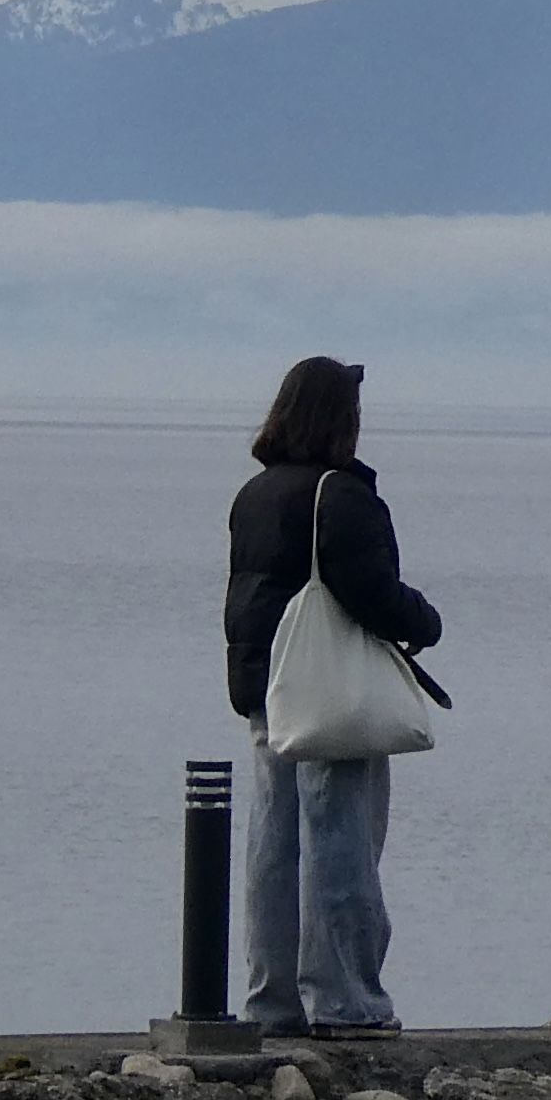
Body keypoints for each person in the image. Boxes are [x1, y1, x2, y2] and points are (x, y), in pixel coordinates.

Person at [223, 352, 442, 1037]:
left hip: (268, 688)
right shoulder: (339, 496)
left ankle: (273, 1002)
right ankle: (346, 1001)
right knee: (340, 841)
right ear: (338, 420)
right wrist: (424, 620)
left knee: (273, 845)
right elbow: (372, 595)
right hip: (331, 696)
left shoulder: (254, 495)